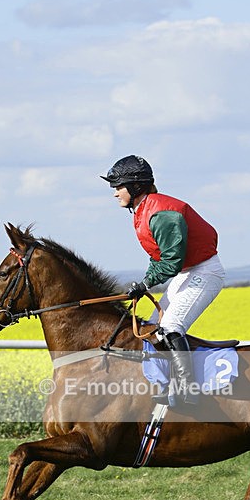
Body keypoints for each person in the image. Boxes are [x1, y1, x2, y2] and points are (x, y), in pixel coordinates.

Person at [101, 154, 226, 405]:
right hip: (187, 272)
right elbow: (157, 256)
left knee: (170, 326)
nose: (115, 193)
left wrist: (146, 284)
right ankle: (163, 383)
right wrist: (145, 281)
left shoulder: (162, 214)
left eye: (118, 187)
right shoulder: (143, 211)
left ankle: (188, 390)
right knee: (152, 329)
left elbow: (171, 262)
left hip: (204, 272)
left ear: (136, 186)